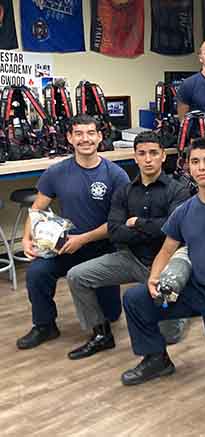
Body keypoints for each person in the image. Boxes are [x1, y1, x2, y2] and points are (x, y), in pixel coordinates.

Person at [120, 137, 205, 386]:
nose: (202, 168)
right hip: (194, 290)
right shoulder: (184, 210)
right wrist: (154, 278)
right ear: (188, 168)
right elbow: (167, 248)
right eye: (195, 162)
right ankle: (156, 359)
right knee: (136, 299)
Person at [65, 131, 192, 360]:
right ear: (135, 158)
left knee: (170, 336)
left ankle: (181, 306)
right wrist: (150, 230)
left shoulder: (178, 190)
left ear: (163, 156)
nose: (148, 159)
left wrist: (137, 224)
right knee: (76, 276)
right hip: (131, 259)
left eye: (154, 153)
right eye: (142, 154)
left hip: (164, 264)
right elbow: (114, 232)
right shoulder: (124, 191)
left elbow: (175, 230)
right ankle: (101, 333)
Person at [16, 114, 130, 350]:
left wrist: (84, 239)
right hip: (66, 247)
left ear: (99, 137)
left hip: (103, 249)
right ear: (69, 138)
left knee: (111, 315)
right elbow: (37, 208)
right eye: (78, 133)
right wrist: (26, 238)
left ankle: (105, 313)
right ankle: (45, 325)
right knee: (37, 272)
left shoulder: (116, 175)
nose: (85, 139)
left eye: (90, 133)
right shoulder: (56, 172)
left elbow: (117, 224)